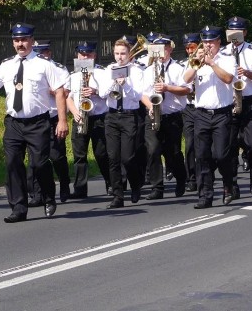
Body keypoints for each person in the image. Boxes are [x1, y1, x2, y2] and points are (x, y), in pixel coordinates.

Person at [0, 23, 68, 223]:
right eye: (17, 40)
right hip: (14, 123)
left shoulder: (44, 65)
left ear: (32, 41)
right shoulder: (7, 65)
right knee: (12, 164)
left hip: (38, 123)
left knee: (39, 164)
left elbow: (60, 91)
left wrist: (62, 120)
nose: (20, 44)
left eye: (24, 40)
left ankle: (48, 196)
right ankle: (18, 208)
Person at [182, 25, 237, 208]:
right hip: (201, 114)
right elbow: (186, 80)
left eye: (211, 42)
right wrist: (197, 64)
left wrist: (212, 63)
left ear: (219, 42)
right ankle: (205, 196)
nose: (207, 46)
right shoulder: (195, 60)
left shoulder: (227, 59)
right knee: (202, 156)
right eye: (205, 42)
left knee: (221, 156)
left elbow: (229, 79)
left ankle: (228, 184)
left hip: (222, 114)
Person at [101, 38, 148, 209]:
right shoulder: (109, 69)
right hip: (112, 116)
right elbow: (101, 93)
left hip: (129, 116)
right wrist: (114, 82)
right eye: (117, 53)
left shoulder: (135, 71)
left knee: (128, 157)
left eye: (123, 53)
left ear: (129, 54)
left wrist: (125, 84)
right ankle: (117, 196)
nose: (120, 57)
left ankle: (136, 184)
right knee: (113, 158)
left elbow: (137, 96)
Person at [140, 35, 188, 200]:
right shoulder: (148, 70)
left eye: (164, 49)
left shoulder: (178, 68)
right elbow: (143, 94)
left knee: (172, 152)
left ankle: (181, 178)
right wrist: (150, 107)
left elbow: (187, 89)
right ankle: (157, 187)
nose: (160, 53)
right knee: (153, 150)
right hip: (153, 115)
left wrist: (168, 88)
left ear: (170, 49)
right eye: (157, 49)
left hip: (172, 116)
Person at [224, 16, 252, 196]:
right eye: (231, 31)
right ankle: (233, 182)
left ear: (245, 33)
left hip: (250, 101)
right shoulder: (223, 51)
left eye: (239, 32)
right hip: (231, 101)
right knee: (231, 144)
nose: (235, 35)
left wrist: (248, 73)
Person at [65, 41, 111, 199]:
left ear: (94, 55)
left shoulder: (102, 73)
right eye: (82, 54)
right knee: (79, 155)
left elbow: (108, 94)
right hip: (80, 117)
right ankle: (80, 189)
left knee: (102, 154)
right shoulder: (73, 75)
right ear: (77, 55)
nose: (85, 56)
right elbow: (68, 98)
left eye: (88, 54)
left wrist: (94, 91)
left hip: (99, 118)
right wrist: (75, 113)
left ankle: (111, 184)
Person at [27, 40, 71, 205]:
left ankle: (65, 184)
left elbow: (64, 92)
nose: (40, 55)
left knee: (57, 156)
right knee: (35, 159)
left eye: (43, 52)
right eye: (37, 51)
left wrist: (50, 89)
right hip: (36, 119)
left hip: (53, 118)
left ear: (49, 53)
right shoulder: (30, 68)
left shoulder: (58, 69)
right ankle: (37, 194)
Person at [180, 33, 200, 192]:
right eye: (187, 47)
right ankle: (191, 177)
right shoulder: (182, 64)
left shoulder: (206, 62)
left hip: (203, 107)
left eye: (192, 47)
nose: (189, 50)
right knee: (190, 144)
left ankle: (206, 173)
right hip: (188, 107)